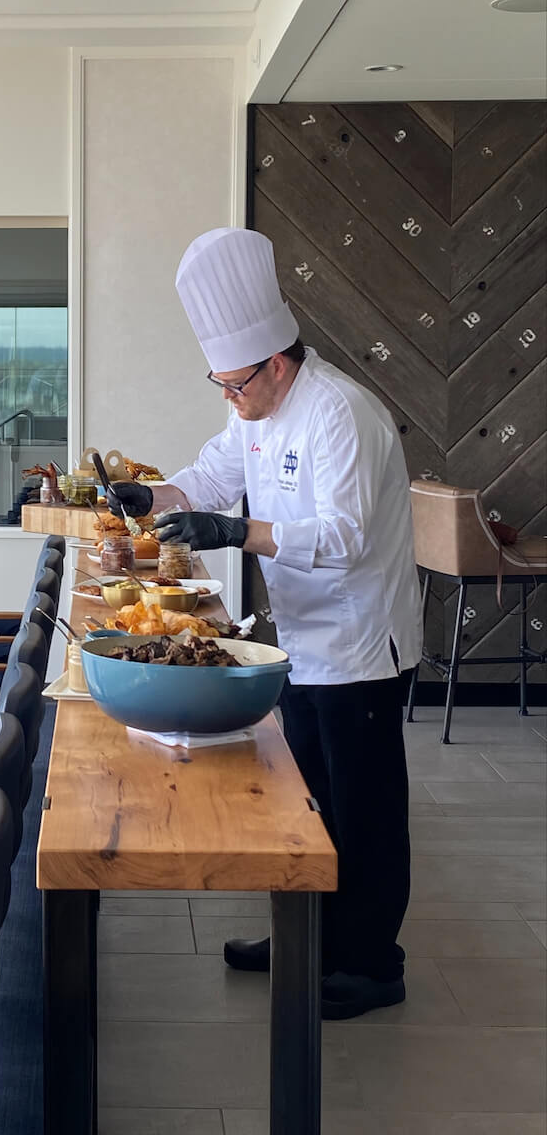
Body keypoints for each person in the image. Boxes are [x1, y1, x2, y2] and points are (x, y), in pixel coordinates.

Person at [108, 228, 422, 1020]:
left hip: (361, 642)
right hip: (304, 637)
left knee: (365, 809)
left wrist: (236, 533)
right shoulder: (257, 409)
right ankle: (309, 939)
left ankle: (372, 964)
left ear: (277, 362)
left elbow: (345, 537)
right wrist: (155, 497)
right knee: (306, 800)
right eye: (218, 381)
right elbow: (212, 475)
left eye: (234, 382)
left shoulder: (339, 414)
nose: (227, 395)